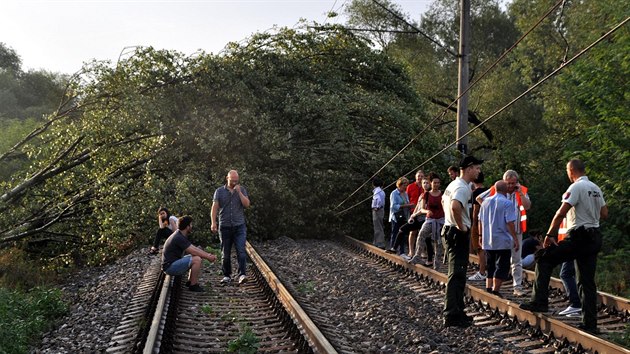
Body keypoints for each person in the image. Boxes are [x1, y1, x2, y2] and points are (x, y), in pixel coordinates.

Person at [520, 159, 607, 334]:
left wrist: (549, 235)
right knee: (587, 281)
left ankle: (539, 302)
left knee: (543, 258)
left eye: (567, 171)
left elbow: (561, 212)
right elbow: (604, 214)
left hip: (579, 236)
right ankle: (590, 324)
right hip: (594, 237)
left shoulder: (575, 187)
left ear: (572, 170)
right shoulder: (596, 188)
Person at [441, 156, 483, 328]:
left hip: (449, 230)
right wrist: (462, 227)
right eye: (477, 168)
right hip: (457, 232)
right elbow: (455, 206)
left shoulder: (453, 185)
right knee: (457, 275)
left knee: (457, 274)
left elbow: (447, 203)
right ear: (469, 168)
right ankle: (451, 314)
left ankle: (457, 310)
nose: (479, 171)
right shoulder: (462, 188)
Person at [477, 170, 531, 297]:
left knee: (516, 260)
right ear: (504, 182)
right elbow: (479, 198)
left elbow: (527, 206)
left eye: (513, 183)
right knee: (497, 260)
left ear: (517, 182)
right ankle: (494, 286)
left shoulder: (521, 191)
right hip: (500, 231)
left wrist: (520, 193)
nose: (511, 186)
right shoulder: (496, 189)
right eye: (509, 183)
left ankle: (517, 287)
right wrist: (492, 214)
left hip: (516, 230)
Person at [478, 181, 519, 298]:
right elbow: (510, 223)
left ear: (495, 189)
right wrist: (515, 239)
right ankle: (496, 290)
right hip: (503, 239)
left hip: (488, 238)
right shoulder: (507, 203)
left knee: (490, 263)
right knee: (502, 265)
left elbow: (479, 220)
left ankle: (488, 287)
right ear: (505, 190)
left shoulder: (485, 202)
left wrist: (480, 236)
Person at [211, 170, 251, 285]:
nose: (234, 182)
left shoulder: (241, 189)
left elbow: (247, 204)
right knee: (225, 253)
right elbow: (214, 208)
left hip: (239, 226)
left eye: (236, 180)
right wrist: (213, 222)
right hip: (225, 226)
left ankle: (242, 274)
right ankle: (227, 275)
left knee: (241, 251)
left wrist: (239, 193)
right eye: (232, 180)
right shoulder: (219, 191)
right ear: (227, 178)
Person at [162, 215, 218, 292]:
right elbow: (193, 251)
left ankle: (190, 281)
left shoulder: (180, 234)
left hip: (171, 263)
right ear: (187, 226)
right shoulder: (179, 237)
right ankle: (193, 285)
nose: (192, 226)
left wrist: (207, 255)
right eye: (191, 224)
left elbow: (194, 249)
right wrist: (208, 257)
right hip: (170, 267)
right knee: (196, 259)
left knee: (197, 255)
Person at [411, 172, 444, 268]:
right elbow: (421, 209)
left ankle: (437, 264)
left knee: (438, 243)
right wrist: (427, 211)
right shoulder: (427, 194)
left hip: (440, 221)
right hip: (430, 220)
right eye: (435, 183)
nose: (436, 184)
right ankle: (417, 255)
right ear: (431, 183)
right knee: (421, 234)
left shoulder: (442, 194)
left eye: (438, 183)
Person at [468, 172, 488, 281]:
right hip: (489, 223)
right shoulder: (489, 191)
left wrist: (474, 224)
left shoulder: (475, 193)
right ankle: (486, 269)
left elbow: (476, 211)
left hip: (479, 223)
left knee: (479, 248)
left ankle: (482, 271)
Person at [387, 177, 413, 254]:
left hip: (404, 216)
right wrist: (405, 205)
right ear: (399, 184)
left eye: (406, 185)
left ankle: (402, 251)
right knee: (395, 233)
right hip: (396, 217)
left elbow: (407, 203)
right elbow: (393, 206)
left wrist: (409, 206)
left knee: (402, 233)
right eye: (404, 185)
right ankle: (392, 248)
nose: (405, 187)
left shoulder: (405, 194)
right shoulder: (394, 193)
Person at [406, 170, 425, 258]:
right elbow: (406, 198)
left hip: (422, 213)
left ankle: (421, 251)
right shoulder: (410, 187)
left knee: (422, 233)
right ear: (415, 177)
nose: (420, 178)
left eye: (421, 176)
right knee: (412, 232)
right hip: (412, 212)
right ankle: (411, 251)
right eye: (418, 176)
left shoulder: (425, 187)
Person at [371, 178, 386, 249]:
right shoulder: (382, 191)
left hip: (377, 210)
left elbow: (378, 200)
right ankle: (376, 242)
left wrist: (376, 207)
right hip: (381, 210)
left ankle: (380, 243)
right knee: (379, 225)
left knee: (377, 226)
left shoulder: (377, 191)